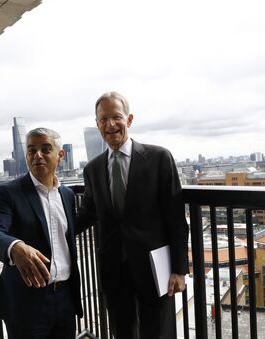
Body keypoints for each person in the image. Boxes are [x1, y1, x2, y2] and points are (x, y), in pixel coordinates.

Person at [76, 91, 189, 339]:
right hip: (114, 269)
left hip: (154, 267)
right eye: (103, 119)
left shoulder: (159, 158)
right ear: (97, 125)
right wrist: (49, 228)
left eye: (116, 117)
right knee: (122, 332)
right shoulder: (92, 169)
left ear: (129, 119)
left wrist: (180, 270)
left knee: (158, 332)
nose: (110, 124)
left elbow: (175, 218)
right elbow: (88, 213)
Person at [0, 127, 83, 339]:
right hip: (27, 302)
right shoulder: (10, 192)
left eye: (46, 149)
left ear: (60, 155)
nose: (38, 155)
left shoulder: (67, 195)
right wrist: (15, 247)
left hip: (65, 298)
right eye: (31, 150)